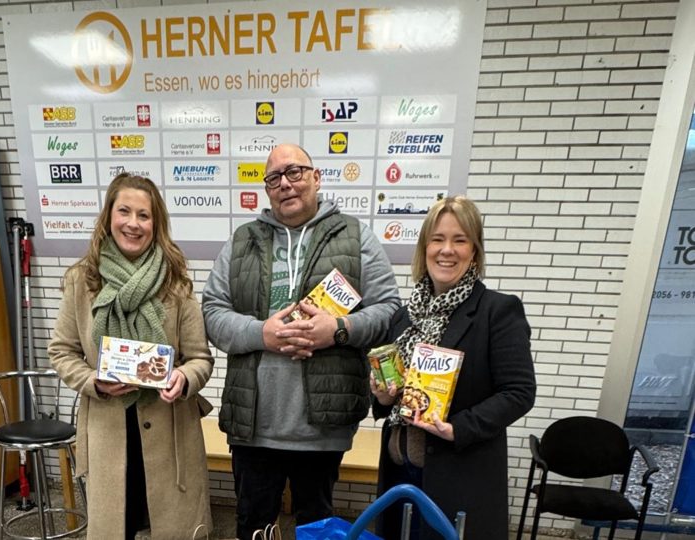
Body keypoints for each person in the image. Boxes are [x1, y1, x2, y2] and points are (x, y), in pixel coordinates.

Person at [202, 143, 401, 539]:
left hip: (323, 423)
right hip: (254, 422)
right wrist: (262, 333)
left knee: (316, 528)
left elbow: (389, 310)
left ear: (316, 177)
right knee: (253, 527)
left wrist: (338, 330)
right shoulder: (243, 241)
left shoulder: (355, 236)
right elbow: (212, 312)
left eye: (295, 172)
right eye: (274, 177)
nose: (285, 184)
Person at [48, 173, 214, 540]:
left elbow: (200, 358)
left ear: (156, 224)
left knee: (173, 529)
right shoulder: (82, 280)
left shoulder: (176, 282)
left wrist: (184, 378)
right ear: (109, 215)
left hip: (169, 431)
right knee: (115, 527)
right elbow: (62, 351)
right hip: (108, 431)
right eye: (125, 211)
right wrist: (94, 381)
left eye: (144, 215)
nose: (133, 223)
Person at [371, 195, 536, 540]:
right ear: (424, 248)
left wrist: (458, 428)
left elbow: (519, 393)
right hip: (399, 474)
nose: (447, 250)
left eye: (459, 240)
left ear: (474, 251)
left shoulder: (497, 311)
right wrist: (384, 397)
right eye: (438, 239)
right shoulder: (404, 316)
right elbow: (396, 394)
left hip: (457, 477)